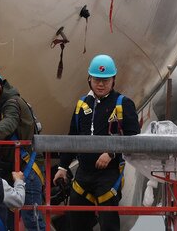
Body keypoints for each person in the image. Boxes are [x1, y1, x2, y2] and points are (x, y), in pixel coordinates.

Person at [51, 55, 139, 231]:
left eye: (105, 80)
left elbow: (134, 138)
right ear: (89, 79)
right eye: (97, 80)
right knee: (76, 222)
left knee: (108, 225)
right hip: (83, 174)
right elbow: (73, 137)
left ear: (113, 80)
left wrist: (111, 152)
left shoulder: (123, 104)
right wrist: (62, 168)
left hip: (108, 175)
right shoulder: (82, 104)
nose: (101, 84)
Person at [0, 66, 45, 231]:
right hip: (8, 168)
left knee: (31, 219)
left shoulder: (13, 103)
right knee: (5, 219)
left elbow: (10, 122)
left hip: (27, 169)